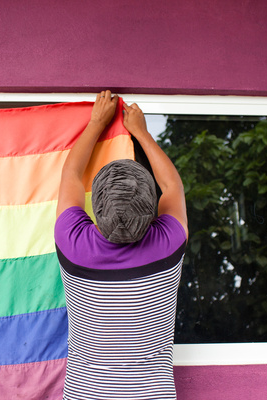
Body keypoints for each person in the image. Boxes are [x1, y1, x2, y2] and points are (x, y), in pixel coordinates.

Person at [55, 90, 188, 400]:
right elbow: (173, 186)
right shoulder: (168, 243)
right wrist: (141, 132)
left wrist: (96, 123)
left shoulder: (73, 243)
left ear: (95, 210)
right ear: (153, 207)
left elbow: (71, 174)